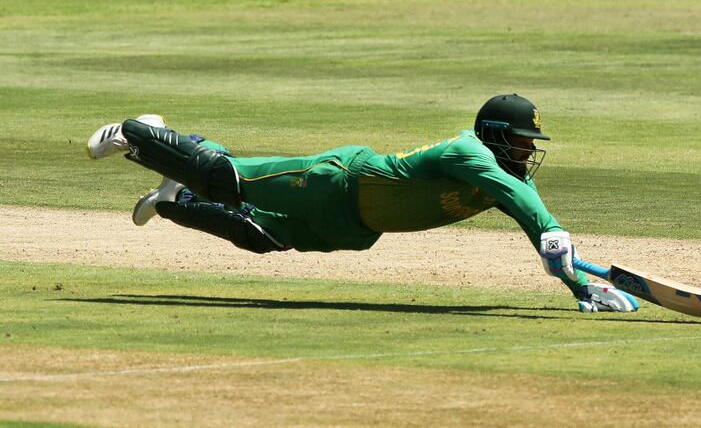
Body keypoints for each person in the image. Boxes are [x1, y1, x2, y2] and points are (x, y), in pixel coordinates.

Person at [87, 94, 637, 313]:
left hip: (356, 225)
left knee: (259, 237)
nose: (526, 152)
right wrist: (552, 230)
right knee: (227, 176)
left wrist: (581, 285)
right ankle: (141, 131)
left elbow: (530, 218)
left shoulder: (511, 179)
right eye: (519, 141)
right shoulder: (468, 153)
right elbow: (525, 205)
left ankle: (171, 200)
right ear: (494, 135)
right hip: (337, 181)